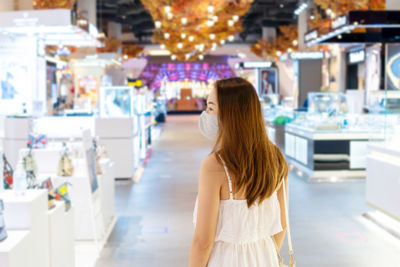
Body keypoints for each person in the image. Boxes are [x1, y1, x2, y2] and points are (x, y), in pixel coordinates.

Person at [190, 77, 289, 267]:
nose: (206, 114)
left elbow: (203, 241)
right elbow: (282, 224)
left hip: (226, 260)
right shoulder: (276, 158)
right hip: (266, 256)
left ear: (230, 115)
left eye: (210, 108)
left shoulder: (215, 165)